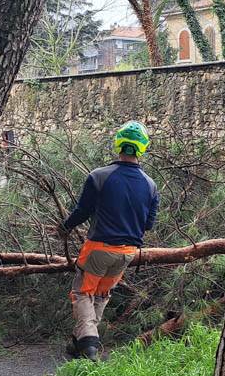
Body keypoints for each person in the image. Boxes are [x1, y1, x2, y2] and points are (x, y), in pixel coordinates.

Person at [56, 121, 159, 360]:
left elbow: (82, 212)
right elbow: (148, 225)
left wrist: (64, 228)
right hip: (127, 253)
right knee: (101, 295)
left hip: (98, 249)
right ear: (142, 148)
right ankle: (78, 342)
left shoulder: (99, 176)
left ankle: (90, 344)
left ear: (118, 144)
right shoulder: (151, 186)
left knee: (82, 293)